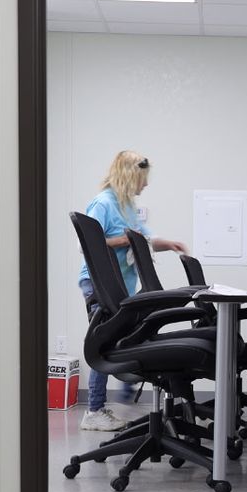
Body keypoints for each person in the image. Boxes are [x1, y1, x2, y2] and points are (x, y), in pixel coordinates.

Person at [76, 150, 189, 432]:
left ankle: (126, 386)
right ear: (130, 175)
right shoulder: (103, 203)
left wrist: (170, 243)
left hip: (122, 287)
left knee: (130, 337)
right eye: (143, 178)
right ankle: (94, 410)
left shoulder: (126, 206)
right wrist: (123, 239)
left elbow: (144, 240)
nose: (146, 185)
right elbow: (87, 244)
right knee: (102, 342)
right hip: (98, 283)